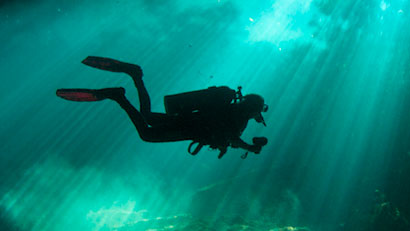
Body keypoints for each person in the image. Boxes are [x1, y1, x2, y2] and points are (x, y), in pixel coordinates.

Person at [57, 56, 268, 158]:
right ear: (252, 108)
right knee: (147, 134)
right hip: (188, 127)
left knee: (147, 117)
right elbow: (231, 137)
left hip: (188, 121)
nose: (257, 116)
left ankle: (131, 80)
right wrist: (249, 147)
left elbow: (226, 135)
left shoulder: (234, 111)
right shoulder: (238, 117)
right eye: (257, 112)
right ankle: (119, 94)